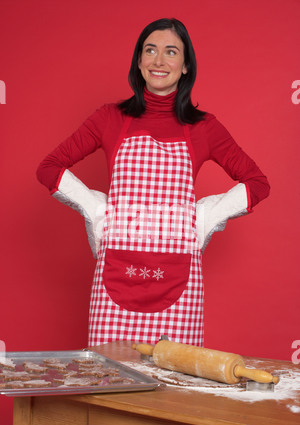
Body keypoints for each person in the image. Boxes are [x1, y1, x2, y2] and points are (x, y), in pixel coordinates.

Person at [36, 18, 270, 347]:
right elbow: (49, 168)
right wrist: (96, 209)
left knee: (172, 389)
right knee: (109, 382)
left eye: (171, 52)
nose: (159, 61)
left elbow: (257, 183)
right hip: (116, 275)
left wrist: (205, 218)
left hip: (180, 281)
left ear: (186, 65)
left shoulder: (204, 128)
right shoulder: (110, 118)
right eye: (150, 50)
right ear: (139, 61)